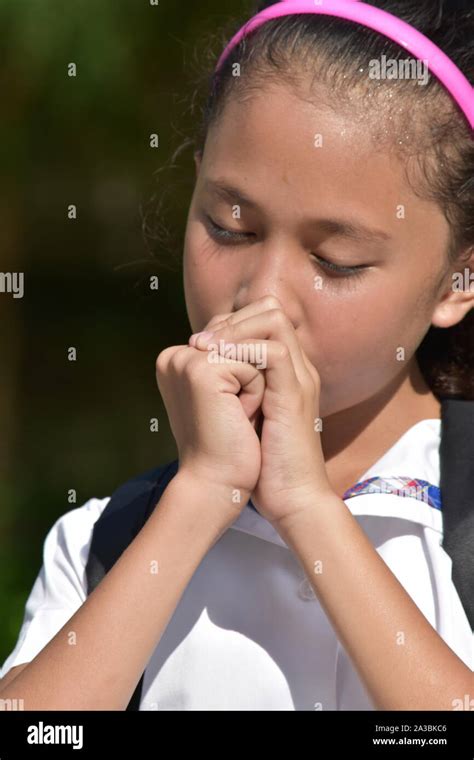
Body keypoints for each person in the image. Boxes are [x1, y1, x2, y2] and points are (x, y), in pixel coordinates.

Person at [0, 0, 473, 710]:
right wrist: (197, 500)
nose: (264, 294)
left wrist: (309, 509)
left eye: (335, 260)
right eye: (229, 226)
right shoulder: (107, 539)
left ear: (459, 277)